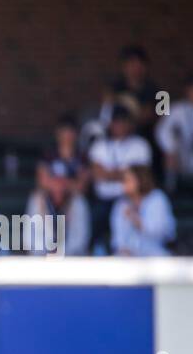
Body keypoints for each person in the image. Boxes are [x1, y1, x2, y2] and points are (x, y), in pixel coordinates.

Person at [87, 105, 151, 254]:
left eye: (123, 121)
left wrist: (109, 173)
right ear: (110, 124)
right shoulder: (100, 145)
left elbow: (139, 175)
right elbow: (97, 173)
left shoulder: (140, 145)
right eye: (116, 122)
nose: (119, 125)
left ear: (130, 124)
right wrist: (122, 173)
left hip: (132, 198)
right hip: (102, 200)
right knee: (96, 216)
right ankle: (98, 248)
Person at [155, 73, 193, 194]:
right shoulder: (177, 109)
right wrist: (171, 148)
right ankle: (171, 190)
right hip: (182, 157)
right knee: (169, 155)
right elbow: (162, 131)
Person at [25, 159, 90, 255]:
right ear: (49, 181)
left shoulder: (78, 201)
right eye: (55, 180)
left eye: (62, 180)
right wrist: (48, 254)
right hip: (42, 260)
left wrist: (62, 254)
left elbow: (81, 239)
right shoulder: (37, 200)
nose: (58, 184)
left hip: (71, 260)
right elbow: (29, 237)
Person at [111, 165, 174, 256]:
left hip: (156, 251)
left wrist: (135, 218)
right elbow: (118, 236)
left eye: (128, 180)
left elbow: (159, 232)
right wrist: (123, 248)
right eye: (123, 180)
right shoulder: (121, 203)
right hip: (128, 254)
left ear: (140, 180)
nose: (124, 184)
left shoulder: (157, 198)